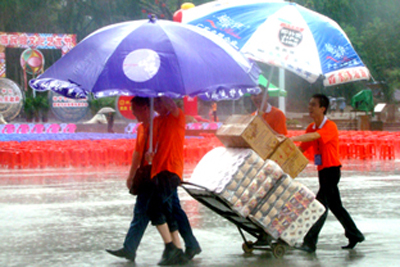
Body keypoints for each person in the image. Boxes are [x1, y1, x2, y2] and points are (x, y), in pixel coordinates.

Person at [106, 97, 201, 264]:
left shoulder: (173, 117)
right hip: (155, 172)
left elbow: (172, 109)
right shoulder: (154, 123)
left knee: (158, 209)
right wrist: (142, 165)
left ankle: (174, 247)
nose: (156, 106)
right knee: (164, 211)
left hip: (167, 172)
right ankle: (178, 248)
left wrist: (160, 92)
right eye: (155, 103)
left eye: (135, 109)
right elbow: (147, 150)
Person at [290, 94, 365, 253]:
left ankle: (309, 242)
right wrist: (284, 154)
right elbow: (303, 148)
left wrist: (292, 138)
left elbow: (315, 137)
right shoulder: (311, 127)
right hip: (322, 171)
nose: (310, 107)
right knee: (336, 207)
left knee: (319, 206)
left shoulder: (330, 126)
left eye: (313, 105)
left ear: (322, 109)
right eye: (309, 104)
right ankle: (355, 234)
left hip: (332, 171)